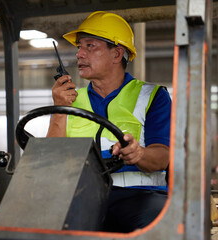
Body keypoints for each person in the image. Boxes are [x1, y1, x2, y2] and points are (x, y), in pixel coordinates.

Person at [46, 11, 171, 233]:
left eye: (90, 46)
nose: (79, 54)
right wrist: (58, 110)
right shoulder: (69, 100)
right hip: (84, 200)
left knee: (158, 229)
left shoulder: (151, 96)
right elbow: (52, 162)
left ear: (117, 54)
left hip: (142, 198)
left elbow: (162, 156)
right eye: (78, 47)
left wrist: (139, 154)